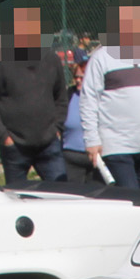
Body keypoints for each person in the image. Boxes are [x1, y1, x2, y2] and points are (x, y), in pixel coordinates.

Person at [80, 5, 140, 190]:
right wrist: (92, 140)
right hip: (115, 146)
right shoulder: (102, 57)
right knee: (129, 197)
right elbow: (89, 100)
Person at [0, 7, 68, 185]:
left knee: (62, 195)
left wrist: (56, 128)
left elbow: (61, 97)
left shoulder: (51, 60)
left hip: (49, 143)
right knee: (16, 198)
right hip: (15, 146)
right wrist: (4, 138)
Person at [62, 53, 98, 183]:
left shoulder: (100, 96)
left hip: (95, 156)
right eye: (76, 77)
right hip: (71, 156)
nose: (78, 80)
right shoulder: (69, 95)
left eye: (82, 78)